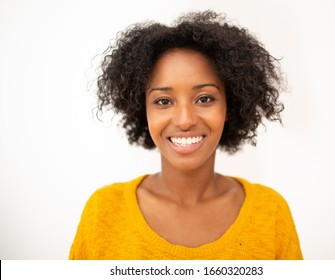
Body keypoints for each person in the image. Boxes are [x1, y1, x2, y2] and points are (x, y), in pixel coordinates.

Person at [69, 10, 303, 260]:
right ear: (142, 110)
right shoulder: (103, 212)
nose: (185, 120)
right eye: (163, 101)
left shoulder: (271, 212)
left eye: (204, 99)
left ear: (229, 106)